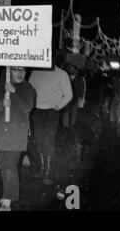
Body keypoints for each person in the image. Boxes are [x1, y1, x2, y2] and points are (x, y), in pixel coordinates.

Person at [0, 66, 35, 211]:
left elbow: (27, 107)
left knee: (10, 167)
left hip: (17, 133)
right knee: (4, 165)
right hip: (1, 133)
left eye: (22, 70)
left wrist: (13, 92)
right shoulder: (1, 86)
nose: (20, 73)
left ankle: (7, 201)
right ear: (9, 71)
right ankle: (8, 193)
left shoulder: (28, 88)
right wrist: (1, 104)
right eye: (15, 70)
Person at [28, 55, 72, 185]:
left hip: (52, 112)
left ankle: (48, 170)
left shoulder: (62, 74)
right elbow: (29, 90)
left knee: (49, 140)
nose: (48, 60)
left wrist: (58, 106)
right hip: (37, 111)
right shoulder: (36, 72)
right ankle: (41, 167)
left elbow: (69, 94)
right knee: (39, 140)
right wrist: (30, 106)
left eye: (51, 58)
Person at [63, 63, 86, 130]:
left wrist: (80, 97)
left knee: (74, 113)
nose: (70, 69)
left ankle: (72, 127)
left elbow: (82, 88)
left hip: (75, 98)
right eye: (69, 68)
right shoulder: (65, 77)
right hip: (66, 98)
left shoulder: (79, 78)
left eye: (72, 68)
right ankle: (65, 127)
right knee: (66, 112)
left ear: (76, 70)